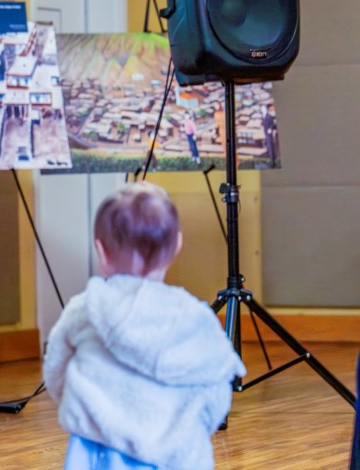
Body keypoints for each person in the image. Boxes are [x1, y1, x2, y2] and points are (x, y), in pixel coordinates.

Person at [42, 183, 245, 470]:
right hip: (180, 454)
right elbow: (216, 390)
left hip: (97, 452)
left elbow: (55, 373)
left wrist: (85, 409)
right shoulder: (195, 319)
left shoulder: (84, 310)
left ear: (100, 251)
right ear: (177, 245)